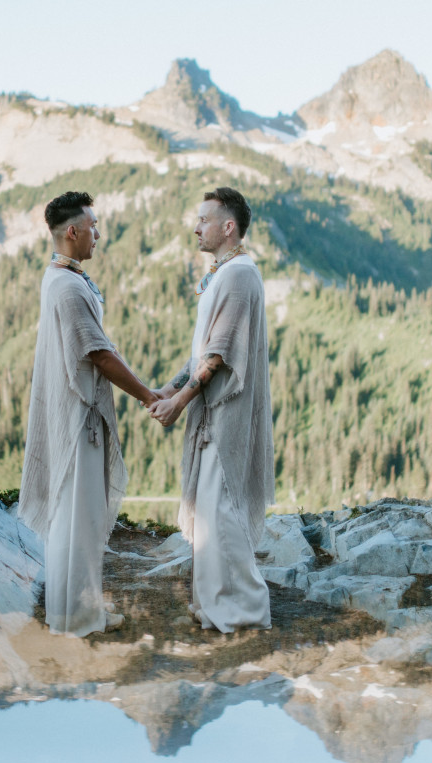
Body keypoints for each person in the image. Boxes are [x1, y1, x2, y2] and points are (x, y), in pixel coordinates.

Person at [19, 191, 157, 636]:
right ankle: (76, 618)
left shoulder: (60, 278)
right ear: (72, 231)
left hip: (75, 412)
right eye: (93, 226)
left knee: (77, 517)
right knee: (80, 518)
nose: (99, 234)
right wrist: (147, 395)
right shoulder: (68, 286)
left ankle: (74, 611)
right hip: (79, 416)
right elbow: (97, 353)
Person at [149, 187, 275, 632]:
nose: (196, 227)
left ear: (228, 226)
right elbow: (200, 352)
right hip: (211, 412)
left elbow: (218, 354)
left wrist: (180, 402)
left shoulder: (241, 275)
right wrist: (166, 389)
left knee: (221, 511)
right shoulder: (224, 274)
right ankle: (215, 603)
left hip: (227, 414)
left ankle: (246, 610)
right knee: (207, 510)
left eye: (204, 219)